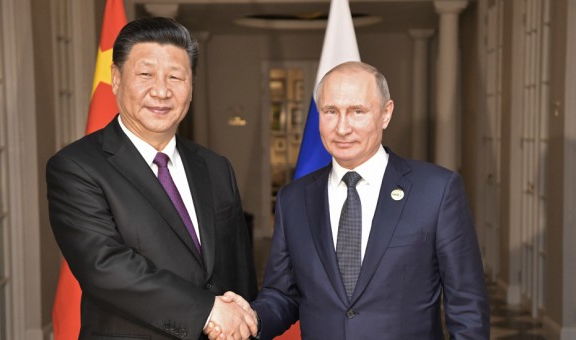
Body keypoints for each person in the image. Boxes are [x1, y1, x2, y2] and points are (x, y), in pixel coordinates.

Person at [209, 61, 489, 339]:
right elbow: (283, 294)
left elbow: (467, 308)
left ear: (385, 114)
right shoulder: (293, 199)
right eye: (331, 111)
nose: (342, 128)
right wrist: (252, 318)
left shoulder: (437, 190)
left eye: (357, 111)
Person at [47, 17, 258, 340]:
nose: (161, 91)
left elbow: (239, 268)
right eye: (145, 74)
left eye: (176, 76)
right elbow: (105, 267)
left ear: (191, 85)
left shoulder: (216, 167)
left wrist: (243, 323)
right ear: (116, 79)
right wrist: (207, 311)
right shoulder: (76, 167)